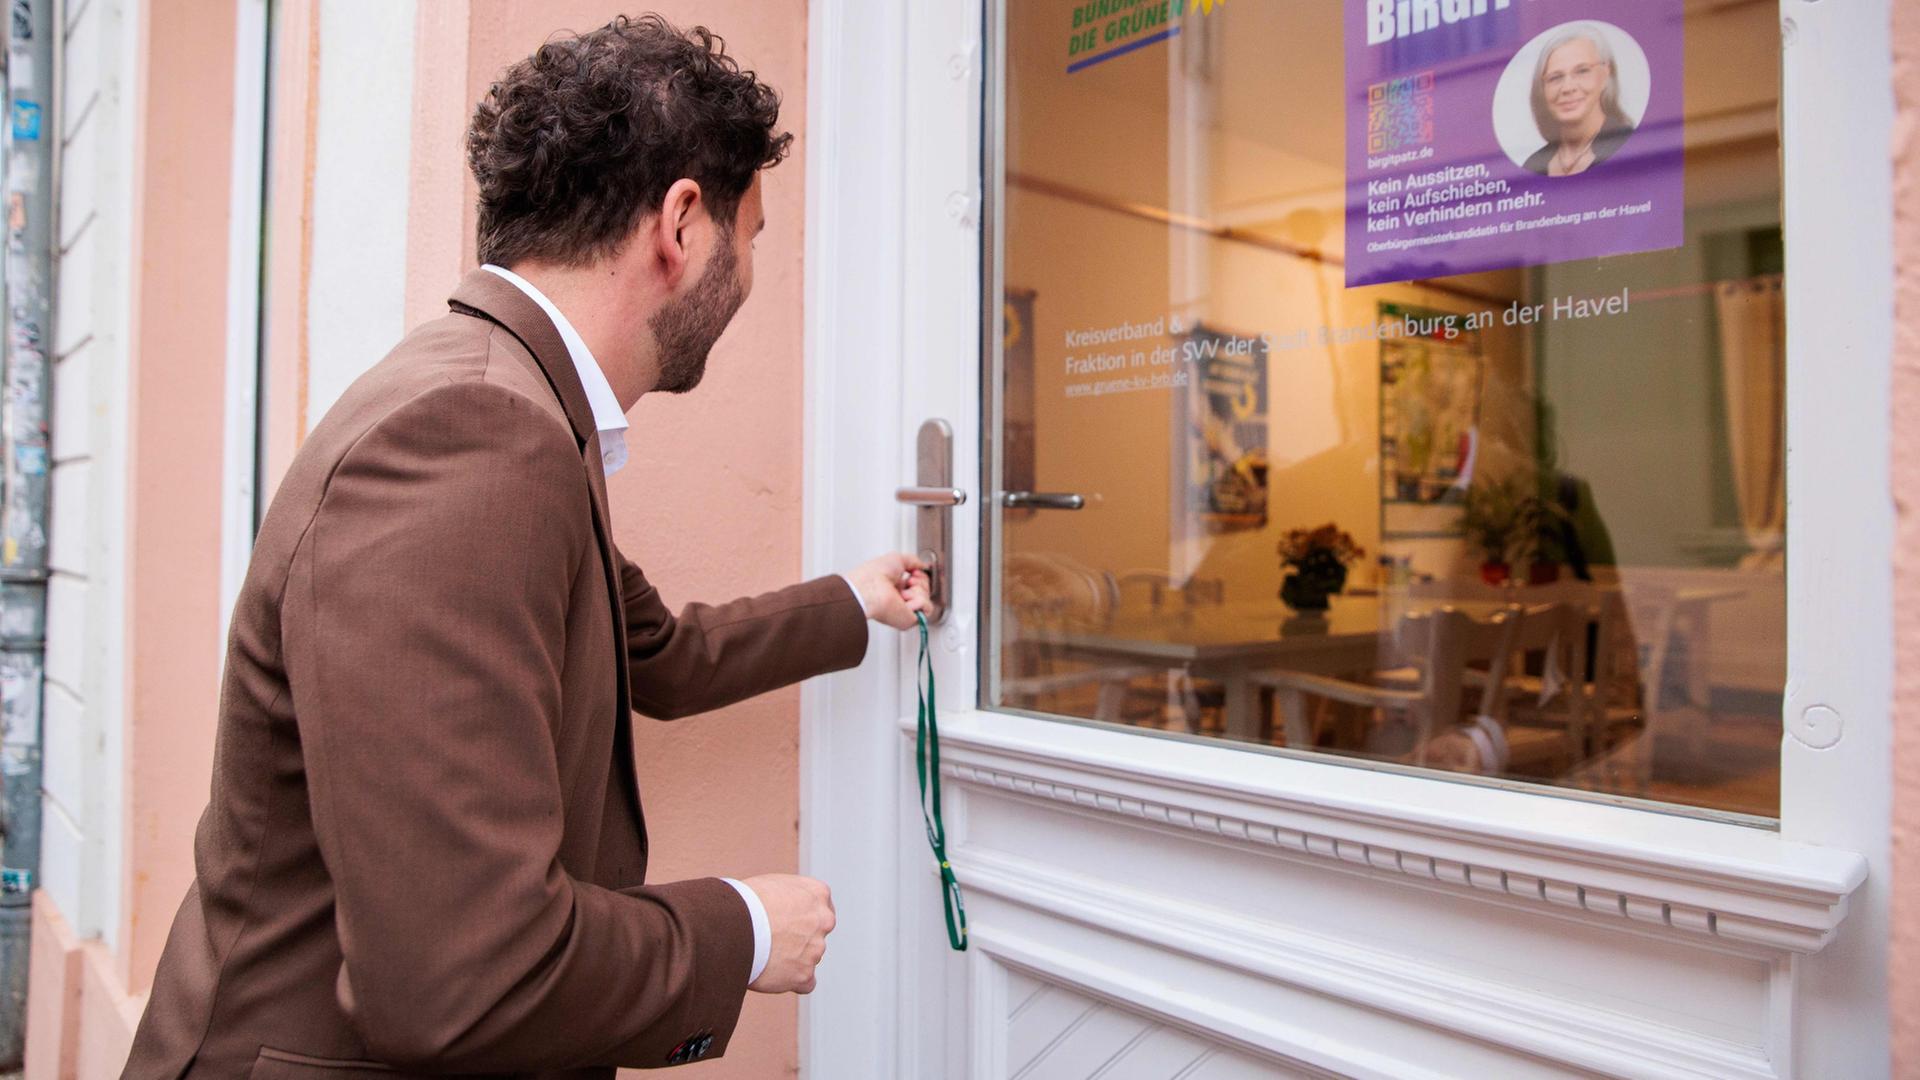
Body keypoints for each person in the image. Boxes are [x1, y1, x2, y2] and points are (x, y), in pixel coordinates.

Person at [121, 15, 929, 1078]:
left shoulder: (518, 404)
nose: (747, 278)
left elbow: (657, 651)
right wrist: (745, 929)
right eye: (754, 237)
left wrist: (851, 600)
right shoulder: (474, 433)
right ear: (681, 224)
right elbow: (466, 973)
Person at [1521, 25, 1639, 178]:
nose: (1567, 88)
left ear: (1605, 75)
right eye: (1555, 77)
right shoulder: (1533, 165)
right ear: (1542, 88)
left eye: (1582, 71)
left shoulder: (1630, 145)